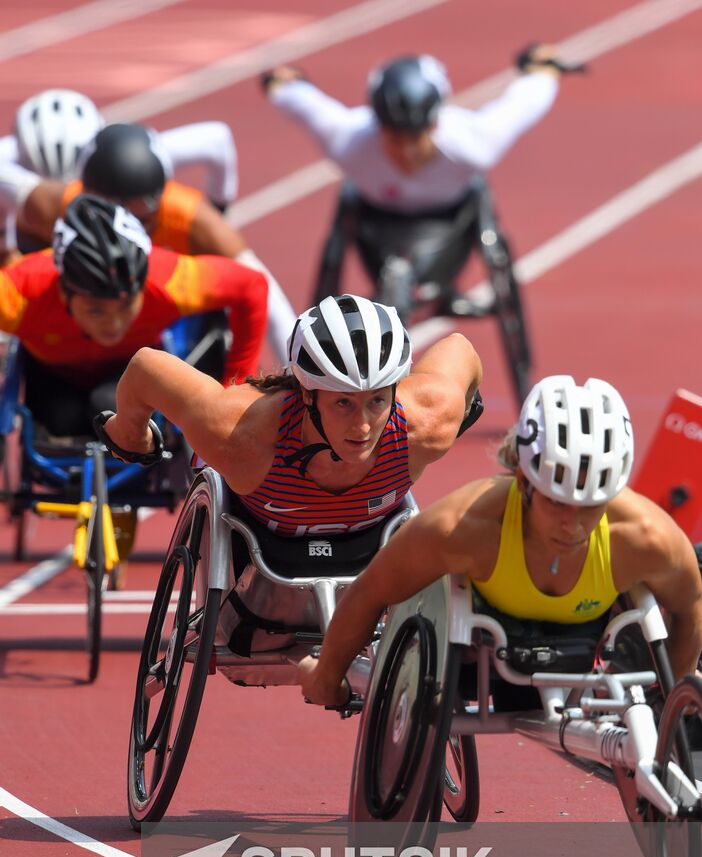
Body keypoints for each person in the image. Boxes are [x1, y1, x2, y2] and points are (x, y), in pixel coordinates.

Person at [298, 375, 702, 706]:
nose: (572, 525)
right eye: (556, 502)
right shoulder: (463, 526)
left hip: (593, 646)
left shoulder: (647, 538)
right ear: (524, 481)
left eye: (590, 506)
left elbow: (690, 606)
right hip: (479, 656)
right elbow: (370, 591)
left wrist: (674, 708)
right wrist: (326, 677)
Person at [96, 293, 483, 541]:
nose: (363, 426)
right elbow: (146, 367)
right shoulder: (238, 434)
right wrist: (130, 435)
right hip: (258, 540)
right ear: (308, 395)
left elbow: (461, 348)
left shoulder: (428, 422)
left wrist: (461, 415)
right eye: (343, 404)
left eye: (377, 402)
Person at [262, 45, 569, 309]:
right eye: (395, 138)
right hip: (375, 226)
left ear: (435, 124)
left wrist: (541, 70)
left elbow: (522, 105)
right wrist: (284, 82)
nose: (407, 151)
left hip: (449, 226)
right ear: (378, 125)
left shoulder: (473, 144)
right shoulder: (349, 140)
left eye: (415, 137)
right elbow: (306, 105)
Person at [3, 121, 296, 363]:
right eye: (107, 215)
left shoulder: (193, 221)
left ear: (160, 200)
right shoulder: (53, 205)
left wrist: (220, 205)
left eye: (141, 219)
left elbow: (267, 297)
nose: (124, 226)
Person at [0, 193, 267, 437]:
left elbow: (252, 286)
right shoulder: (21, 293)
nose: (114, 323)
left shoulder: (169, 281)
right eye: (96, 309)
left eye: (127, 305)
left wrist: (236, 387)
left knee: (108, 405)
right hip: (53, 380)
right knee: (63, 417)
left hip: (131, 374)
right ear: (63, 293)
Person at [0, 88, 238, 258]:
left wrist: (219, 209)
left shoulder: (137, 158)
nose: (57, 195)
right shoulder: (7, 161)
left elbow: (217, 140)